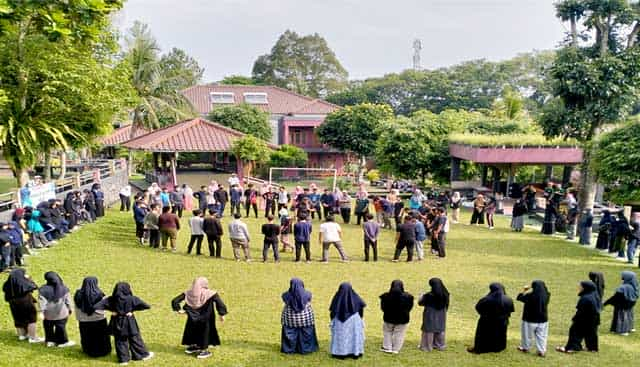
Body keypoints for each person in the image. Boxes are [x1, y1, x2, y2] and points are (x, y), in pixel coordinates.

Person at [95, 282, 154, 364]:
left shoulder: (111, 299)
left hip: (117, 322)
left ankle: (124, 359)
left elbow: (96, 307)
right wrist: (132, 310)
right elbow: (146, 306)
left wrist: (111, 311)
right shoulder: (132, 299)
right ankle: (141, 355)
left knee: (120, 340)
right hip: (129, 321)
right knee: (135, 339)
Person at [171, 277, 228, 359]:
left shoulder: (188, 293)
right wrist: (222, 314)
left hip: (192, 318)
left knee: (192, 331)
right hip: (207, 318)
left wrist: (178, 310)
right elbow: (220, 304)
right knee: (205, 333)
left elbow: (175, 301)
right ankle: (203, 351)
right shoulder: (211, 294)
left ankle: (193, 346)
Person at [467, 283, 515, 354]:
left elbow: (478, 308)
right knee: (500, 334)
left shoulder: (486, 299)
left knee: (484, 335)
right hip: (502, 322)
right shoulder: (508, 299)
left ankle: (482, 348)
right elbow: (511, 310)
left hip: (486, 321)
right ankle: (498, 347)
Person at [556, 281, 601, 353]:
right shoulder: (595, 295)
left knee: (574, 331)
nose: (579, 288)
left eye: (581, 286)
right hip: (594, 319)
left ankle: (572, 348)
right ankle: (592, 348)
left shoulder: (585, 298)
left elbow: (581, 311)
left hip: (584, 319)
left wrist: (575, 318)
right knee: (591, 333)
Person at [3, 269, 44, 343]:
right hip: (26, 302)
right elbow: (34, 286)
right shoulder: (23, 282)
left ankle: (22, 335)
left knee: (18, 318)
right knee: (31, 319)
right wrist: (29, 279)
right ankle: (33, 337)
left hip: (13, 303)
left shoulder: (7, 284)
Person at [74, 276, 111, 357]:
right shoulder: (99, 294)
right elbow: (104, 307)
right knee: (100, 336)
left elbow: (76, 307)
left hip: (83, 320)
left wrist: (80, 317)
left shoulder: (78, 294)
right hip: (99, 319)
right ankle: (103, 350)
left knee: (86, 336)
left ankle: (88, 350)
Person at [280, 278, 319, 354]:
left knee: (290, 333)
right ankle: (306, 349)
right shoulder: (307, 294)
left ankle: (289, 349)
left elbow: (284, 298)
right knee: (306, 333)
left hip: (290, 319)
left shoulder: (286, 295)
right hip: (305, 319)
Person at [329, 282, 366, 359]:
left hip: (339, 320)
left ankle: (340, 353)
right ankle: (355, 352)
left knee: (341, 336)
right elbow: (361, 308)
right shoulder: (355, 297)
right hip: (354, 320)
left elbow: (333, 311)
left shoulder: (337, 297)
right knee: (354, 335)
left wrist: (333, 320)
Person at [39, 271, 75, 348]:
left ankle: (50, 341)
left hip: (48, 315)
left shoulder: (42, 289)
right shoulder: (64, 288)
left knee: (48, 328)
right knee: (61, 328)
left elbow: (42, 302)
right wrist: (70, 309)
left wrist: (41, 312)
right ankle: (62, 342)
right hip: (61, 313)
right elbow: (68, 301)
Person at [516, 280, 550, 357]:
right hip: (543, 319)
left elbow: (519, 297)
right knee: (542, 335)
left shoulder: (530, 296)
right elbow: (546, 290)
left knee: (527, 335)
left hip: (529, 319)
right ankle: (541, 350)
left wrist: (524, 290)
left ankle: (526, 348)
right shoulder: (547, 295)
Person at [379, 280, 414, 354]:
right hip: (403, 319)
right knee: (400, 333)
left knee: (387, 332)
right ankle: (396, 349)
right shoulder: (408, 297)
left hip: (388, 318)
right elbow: (410, 308)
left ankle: (387, 347)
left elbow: (383, 308)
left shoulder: (385, 296)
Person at [418, 278, 449, 352]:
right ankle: (439, 345)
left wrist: (421, 296)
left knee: (428, 329)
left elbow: (421, 303)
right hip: (441, 313)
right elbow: (447, 304)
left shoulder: (429, 295)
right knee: (440, 328)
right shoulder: (446, 294)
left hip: (430, 313)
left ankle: (426, 346)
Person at [603, 271, 638, 336]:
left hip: (621, 305)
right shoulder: (635, 286)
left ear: (627, 277)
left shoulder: (623, 288)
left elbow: (615, 298)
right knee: (629, 316)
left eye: (623, 276)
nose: (622, 277)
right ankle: (630, 328)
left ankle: (622, 330)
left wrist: (605, 303)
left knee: (621, 317)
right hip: (629, 305)